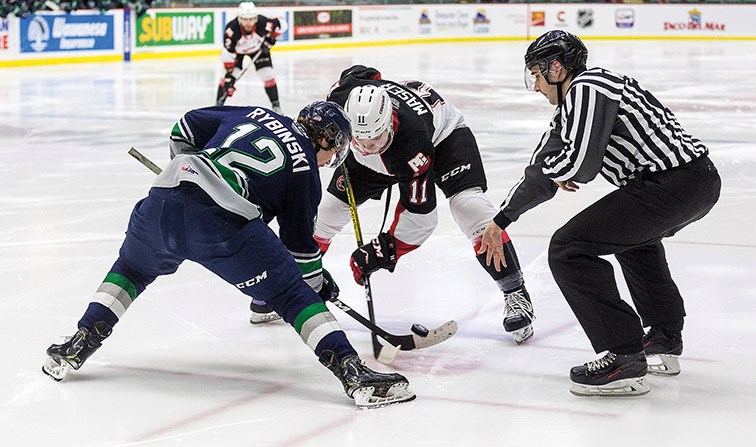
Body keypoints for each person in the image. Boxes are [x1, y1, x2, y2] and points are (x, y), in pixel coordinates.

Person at [41, 101, 416, 409]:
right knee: (290, 293)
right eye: (334, 151)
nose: (329, 159)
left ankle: (78, 343)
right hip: (220, 226)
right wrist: (317, 283)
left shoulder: (253, 113)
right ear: (329, 142)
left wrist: (190, 168)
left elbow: (184, 128)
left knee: (132, 267)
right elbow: (301, 253)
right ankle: (352, 371)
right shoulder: (304, 168)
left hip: (163, 198)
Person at [478, 30, 721, 396]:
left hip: (676, 182)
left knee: (568, 248)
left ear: (556, 67)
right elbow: (542, 169)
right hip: (685, 184)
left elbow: (581, 165)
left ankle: (624, 357)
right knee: (632, 240)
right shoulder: (572, 108)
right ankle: (664, 338)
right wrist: (502, 220)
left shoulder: (589, 86)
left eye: (536, 75)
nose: (535, 87)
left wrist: (564, 170)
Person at [276, 64, 534, 344]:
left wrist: (381, 250)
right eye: (358, 140)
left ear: (388, 123)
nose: (366, 148)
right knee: (325, 214)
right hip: (378, 155)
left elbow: (421, 217)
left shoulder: (413, 144)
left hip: (444, 139)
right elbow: (364, 73)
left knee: (470, 208)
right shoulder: (341, 101)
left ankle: (515, 292)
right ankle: (286, 284)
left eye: (374, 140)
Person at [216, 2, 285, 113]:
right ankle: (217, 107)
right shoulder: (232, 29)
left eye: (251, 19)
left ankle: (276, 105)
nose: (248, 23)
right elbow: (228, 54)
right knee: (227, 79)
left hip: (258, 50)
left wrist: (271, 38)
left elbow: (282, 23)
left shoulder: (263, 22)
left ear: (256, 18)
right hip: (237, 53)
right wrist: (229, 76)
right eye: (244, 19)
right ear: (239, 18)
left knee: (268, 74)